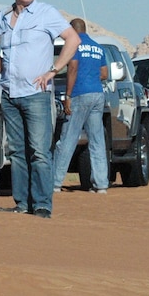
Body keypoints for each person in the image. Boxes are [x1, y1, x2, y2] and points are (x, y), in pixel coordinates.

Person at [0, 0, 80, 219]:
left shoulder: (46, 13)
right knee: (17, 151)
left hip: (36, 93)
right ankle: (22, 203)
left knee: (39, 151)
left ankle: (42, 205)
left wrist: (54, 70)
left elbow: (72, 39)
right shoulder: (3, 18)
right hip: (9, 93)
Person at [51, 18, 110, 194]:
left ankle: (54, 182)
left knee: (68, 139)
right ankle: (101, 185)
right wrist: (91, 77)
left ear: (72, 30)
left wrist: (68, 95)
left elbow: (72, 68)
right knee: (97, 141)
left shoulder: (74, 44)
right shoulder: (98, 47)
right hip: (97, 95)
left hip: (79, 94)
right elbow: (104, 73)